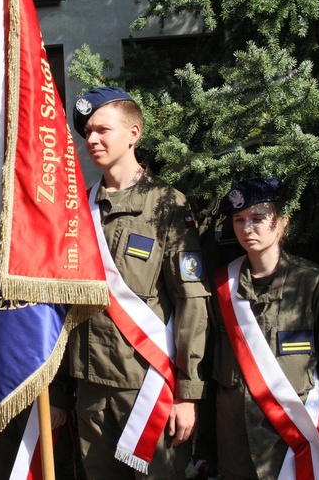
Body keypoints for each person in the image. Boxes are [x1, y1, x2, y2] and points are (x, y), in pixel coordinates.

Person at [69, 86, 211, 478]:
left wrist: (188, 393)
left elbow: (192, 302)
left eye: (103, 130)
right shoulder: (79, 208)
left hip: (147, 386)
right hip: (90, 387)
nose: (92, 139)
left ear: (134, 133)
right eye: (87, 132)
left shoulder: (167, 205)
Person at [212, 177, 319, 478]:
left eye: (258, 218)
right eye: (239, 219)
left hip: (292, 441)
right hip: (234, 446)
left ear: (283, 221)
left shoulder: (312, 281)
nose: (247, 229)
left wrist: (310, 392)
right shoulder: (223, 285)